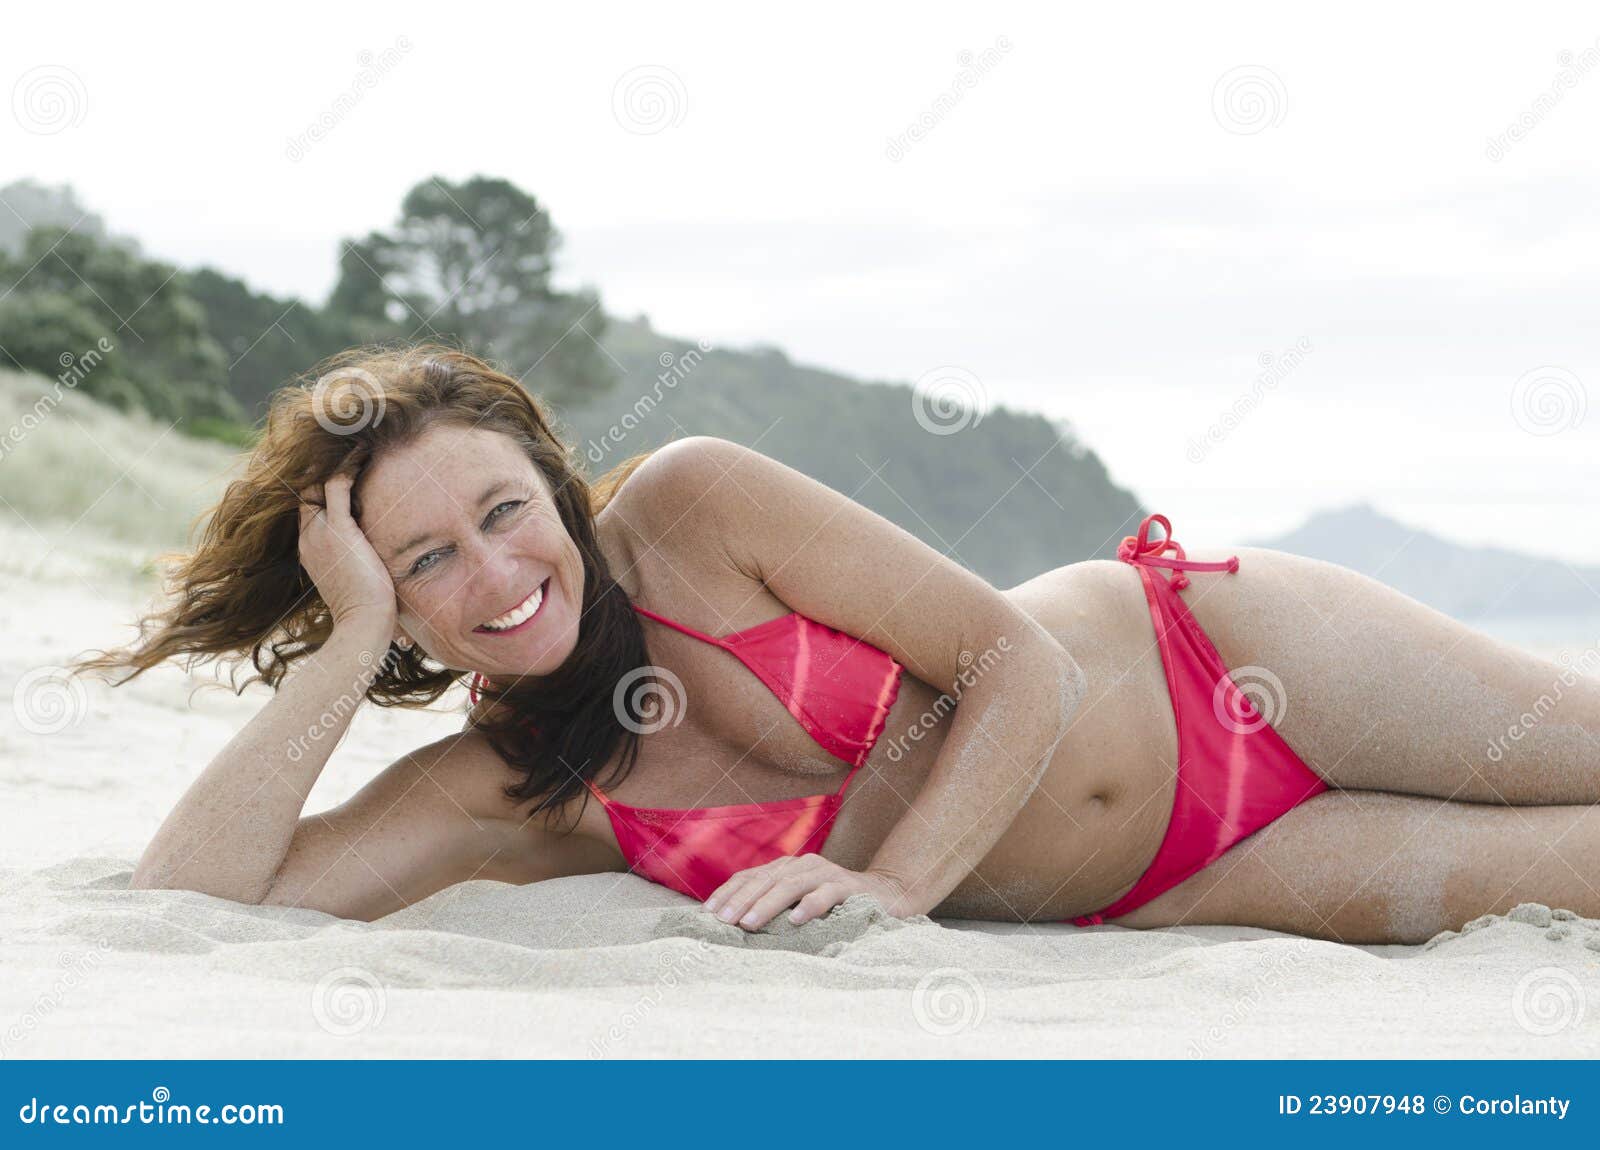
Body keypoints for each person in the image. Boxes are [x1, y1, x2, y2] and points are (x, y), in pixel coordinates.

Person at [78, 344, 1600, 944]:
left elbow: (1021, 662)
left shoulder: (695, 508)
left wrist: (889, 888)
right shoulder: (505, 787)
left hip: (1227, 654)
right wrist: (343, 651)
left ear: (554, 474)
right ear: (395, 599)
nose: (493, 571)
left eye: (501, 509)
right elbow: (195, 906)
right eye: (423, 560)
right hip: (1179, 882)